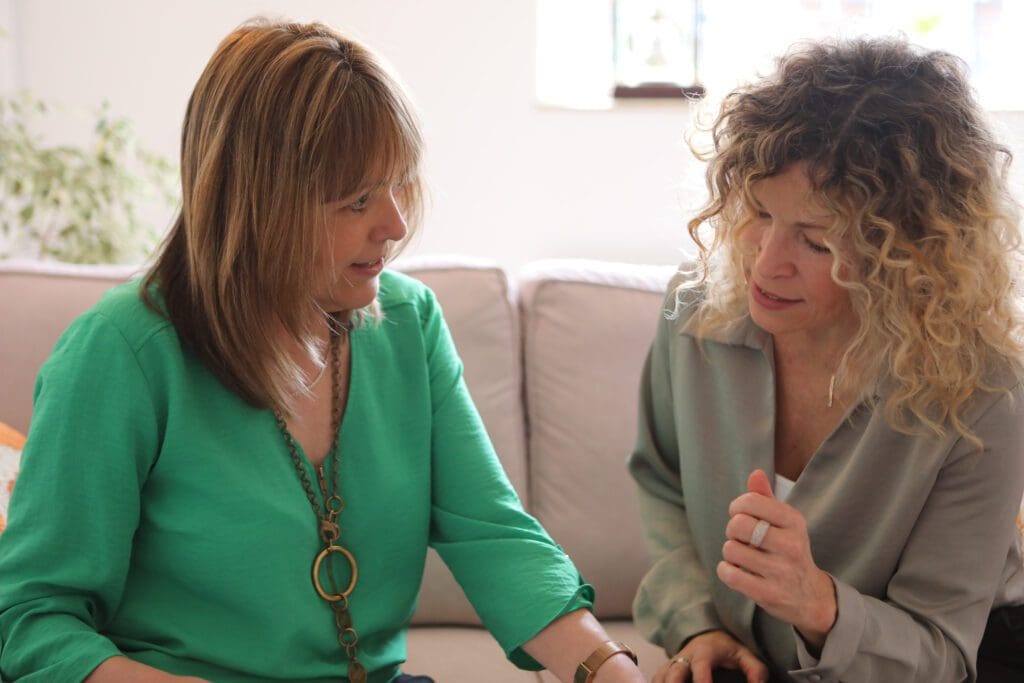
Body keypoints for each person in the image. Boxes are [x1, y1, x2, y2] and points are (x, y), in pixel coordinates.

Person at [0, 19, 645, 683]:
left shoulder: (408, 322)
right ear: (258, 204)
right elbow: (32, 615)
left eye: (398, 184)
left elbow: (495, 535)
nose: (394, 225)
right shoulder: (121, 353)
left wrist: (610, 666)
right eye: (358, 199)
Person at [628, 37, 1024, 683]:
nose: (765, 260)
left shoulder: (982, 389)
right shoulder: (693, 311)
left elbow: (944, 651)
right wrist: (695, 621)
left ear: (909, 256)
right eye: (758, 210)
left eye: (815, 241)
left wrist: (818, 604)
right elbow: (661, 485)